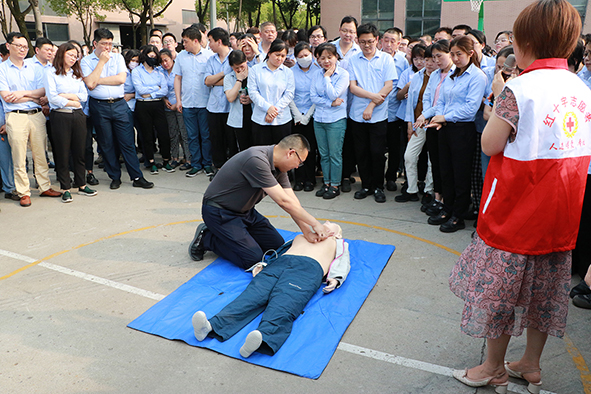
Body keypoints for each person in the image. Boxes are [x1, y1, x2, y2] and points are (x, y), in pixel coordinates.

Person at [448, 2, 591, 393]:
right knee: (543, 293)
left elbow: (490, 143)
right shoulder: (580, 87)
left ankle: (493, 367)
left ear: (527, 41)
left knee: (500, 295)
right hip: (560, 214)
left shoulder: (519, 87)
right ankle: (530, 363)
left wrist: (497, 97)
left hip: (516, 213)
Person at [191, 221, 349, 358]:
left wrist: (336, 278)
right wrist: (264, 264)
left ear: (337, 234)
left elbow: (342, 260)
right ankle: (211, 326)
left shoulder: (337, 243)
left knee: (285, 303)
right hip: (280, 264)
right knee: (251, 296)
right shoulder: (302, 236)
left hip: (307, 271)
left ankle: (263, 338)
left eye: (330, 225)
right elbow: (281, 251)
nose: (325, 224)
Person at [188, 134, 332, 269]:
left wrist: (306, 230)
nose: (296, 167)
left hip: (245, 212)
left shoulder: (279, 167)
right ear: (291, 153)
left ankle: (235, 236)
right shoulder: (256, 160)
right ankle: (207, 238)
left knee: (276, 246)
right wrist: (315, 223)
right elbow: (283, 202)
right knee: (252, 259)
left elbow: (291, 202)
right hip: (220, 212)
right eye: (300, 162)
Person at [427, 36, 487, 232]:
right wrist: (438, 116)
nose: (455, 58)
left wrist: (444, 117)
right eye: (452, 54)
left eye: (458, 54)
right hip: (444, 127)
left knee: (460, 174)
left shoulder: (477, 76)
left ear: (470, 53)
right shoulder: (452, 74)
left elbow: (470, 109)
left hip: (462, 130)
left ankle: (458, 215)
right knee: (446, 171)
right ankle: (447, 208)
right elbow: (442, 100)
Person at [81, 28, 153, 190]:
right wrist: (101, 63)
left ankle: (136, 176)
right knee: (106, 143)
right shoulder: (86, 61)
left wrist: (98, 79)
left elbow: (121, 79)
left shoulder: (118, 57)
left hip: (120, 104)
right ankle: (115, 176)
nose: (107, 47)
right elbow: (90, 84)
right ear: (95, 44)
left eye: (110, 44)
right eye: (104, 43)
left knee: (127, 142)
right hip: (99, 106)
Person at [0, 32, 61, 207]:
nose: (22, 49)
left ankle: (44, 186)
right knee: (19, 156)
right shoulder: (2, 69)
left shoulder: (34, 67)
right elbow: (6, 96)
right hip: (15, 116)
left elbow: (43, 92)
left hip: (36, 115)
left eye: (25, 46)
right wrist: (32, 97)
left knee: (40, 154)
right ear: (8, 46)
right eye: (18, 45)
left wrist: (22, 94)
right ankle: (23, 192)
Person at [348, 23, 396, 203]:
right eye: (362, 42)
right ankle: (366, 185)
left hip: (378, 116)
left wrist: (371, 106)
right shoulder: (353, 60)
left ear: (377, 40)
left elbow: (389, 86)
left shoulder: (385, 59)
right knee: (361, 152)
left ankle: (378, 186)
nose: (367, 45)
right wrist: (373, 97)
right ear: (357, 41)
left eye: (370, 41)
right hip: (357, 115)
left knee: (377, 152)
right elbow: (353, 87)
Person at [44, 42, 96, 203]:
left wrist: (66, 95)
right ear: (62, 54)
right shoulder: (51, 73)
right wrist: (72, 99)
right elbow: (52, 97)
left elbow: (84, 96)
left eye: (76, 56)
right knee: (62, 152)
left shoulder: (76, 74)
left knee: (79, 151)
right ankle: (65, 187)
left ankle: (81, 184)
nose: (74, 58)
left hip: (78, 115)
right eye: (70, 55)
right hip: (60, 116)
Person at [416, 39, 453, 217]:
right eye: (434, 56)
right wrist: (425, 114)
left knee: (446, 165)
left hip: (445, 123)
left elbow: (442, 104)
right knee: (435, 163)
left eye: (440, 56)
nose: (437, 60)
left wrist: (426, 114)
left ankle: (446, 200)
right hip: (431, 122)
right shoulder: (435, 75)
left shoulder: (455, 74)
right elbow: (429, 98)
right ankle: (437, 197)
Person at [397, 46, 438, 203]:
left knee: (430, 160)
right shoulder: (417, 77)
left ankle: (429, 190)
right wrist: (409, 123)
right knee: (409, 156)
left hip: (433, 123)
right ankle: (411, 189)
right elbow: (410, 103)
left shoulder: (442, 78)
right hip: (417, 123)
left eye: (431, 60)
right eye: (425, 59)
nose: (427, 63)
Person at [173, 26, 214, 177]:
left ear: (195, 40)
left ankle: (207, 163)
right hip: (188, 103)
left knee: (205, 135)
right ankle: (195, 164)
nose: (183, 44)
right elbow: (178, 78)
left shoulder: (209, 56)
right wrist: (178, 100)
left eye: (186, 41)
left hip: (205, 103)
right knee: (192, 136)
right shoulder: (181, 57)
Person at [311, 43, 349, 200]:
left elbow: (334, 94)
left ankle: (335, 185)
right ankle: (326, 182)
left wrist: (327, 78)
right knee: (323, 154)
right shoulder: (316, 74)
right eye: (322, 58)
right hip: (318, 119)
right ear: (318, 59)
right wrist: (329, 103)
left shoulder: (343, 74)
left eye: (329, 57)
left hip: (336, 120)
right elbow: (313, 97)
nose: (326, 61)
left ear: (336, 57)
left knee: (335, 154)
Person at [132, 45, 173, 174]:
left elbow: (164, 90)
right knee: (147, 135)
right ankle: (151, 162)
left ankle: (166, 160)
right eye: (151, 56)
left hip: (157, 105)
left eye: (155, 57)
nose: (153, 59)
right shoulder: (137, 72)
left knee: (163, 133)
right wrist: (157, 88)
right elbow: (140, 90)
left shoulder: (159, 72)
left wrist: (153, 93)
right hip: (143, 105)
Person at [248, 39, 295, 146]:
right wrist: (267, 108)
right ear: (269, 53)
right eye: (277, 55)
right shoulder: (255, 70)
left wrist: (274, 111)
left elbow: (289, 94)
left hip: (282, 119)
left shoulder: (288, 72)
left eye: (283, 56)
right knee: (262, 152)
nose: (280, 58)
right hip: (260, 118)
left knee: (282, 153)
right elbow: (253, 92)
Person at [289, 42, 316, 192]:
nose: (304, 58)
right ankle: (299, 179)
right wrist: (297, 115)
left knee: (310, 149)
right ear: (296, 58)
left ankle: (310, 179)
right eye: (300, 56)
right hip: (295, 115)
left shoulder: (318, 71)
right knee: (296, 149)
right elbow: (289, 95)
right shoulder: (290, 72)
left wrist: (307, 116)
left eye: (306, 55)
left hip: (312, 115)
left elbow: (317, 96)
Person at [204, 27, 233, 170]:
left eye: (210, 41)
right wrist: (224, 73)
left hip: (231, 106)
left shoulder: (235, 56)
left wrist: (217, 80)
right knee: (216, 140)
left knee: (231, 140)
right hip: (214, 107)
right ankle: (219, 169)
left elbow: (236, 81)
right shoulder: (211, 59)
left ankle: (232, 170)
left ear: (219, 41)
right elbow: (207, 81)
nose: (209, 44)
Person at [160, 48, 191, 170]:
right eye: (162, 61)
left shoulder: (179, 71)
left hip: (180, 105)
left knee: (184, 134)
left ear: (172, 58)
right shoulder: (160, 72)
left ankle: (188, 158)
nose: (165, 63)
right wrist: (164, 100)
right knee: (173, 134)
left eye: (166, 60)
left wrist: (178, 102)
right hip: (167, 106)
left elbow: (184, 88)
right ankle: (175, 158)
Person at [223, 50, 253, 152]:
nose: (240, 70)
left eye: (242, 66)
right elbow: (230, 98)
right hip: (238, 119)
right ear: (231, 67)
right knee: (243, 148)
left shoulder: (255, 73)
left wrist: (251, 99)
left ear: (246, 61)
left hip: (255, 116)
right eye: (236, 68)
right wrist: (239, 80)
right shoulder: (229, 77)